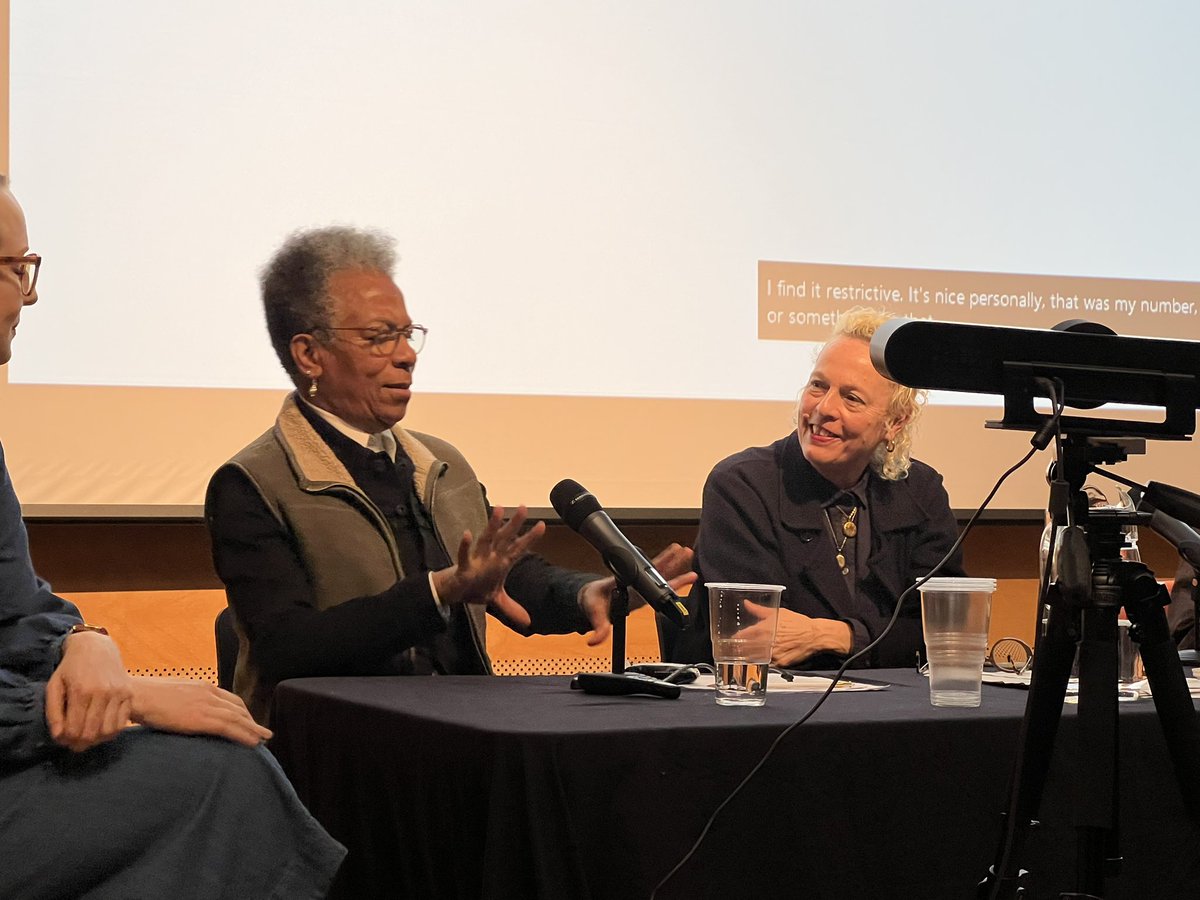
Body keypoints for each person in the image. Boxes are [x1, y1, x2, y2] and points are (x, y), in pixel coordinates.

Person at [0, 178, 345, 898]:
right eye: (12, 269)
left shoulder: (440, 467)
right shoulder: (255, 477)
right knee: (219, 779)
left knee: (225, 761)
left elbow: (19, 608)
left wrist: (84, 640)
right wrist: (115, 702)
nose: (28, 297)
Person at [205, 226, 693, 723]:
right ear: (309, 355)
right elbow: (287, 649)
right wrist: (439, 592)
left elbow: (504, 576)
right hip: (336, 746)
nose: (407, 355)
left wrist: (582, 594)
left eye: (407, 334)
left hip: (463, 729)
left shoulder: (440, 465)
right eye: (379, 338)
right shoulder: (253, 482)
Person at [666, 307, 964, 669]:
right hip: (771, 712)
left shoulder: (920, 491)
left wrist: (832, 635)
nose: (823, 408)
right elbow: (762, 638)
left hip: (896, 707)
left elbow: (948, 633)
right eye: (818, 385)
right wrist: (880, 637)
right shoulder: (742, 485)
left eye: (851, 398)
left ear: (894, 423)